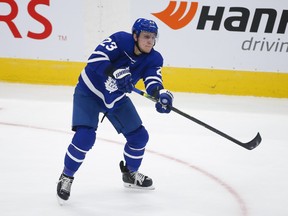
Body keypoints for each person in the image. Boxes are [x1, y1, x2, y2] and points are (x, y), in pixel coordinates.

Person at [56, 18, 174, 203]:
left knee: (139, 137)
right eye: (145, 36)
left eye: (153, 37)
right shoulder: (120, 40)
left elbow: (152, 80)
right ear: (135, 36)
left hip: (116, 98)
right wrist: (114, 71)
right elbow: (95, 60)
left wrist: (160, 94)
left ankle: (130, 174)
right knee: (85, 137)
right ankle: (66, 176)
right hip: (90, 92)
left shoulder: (154, 58)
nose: (150, 41)